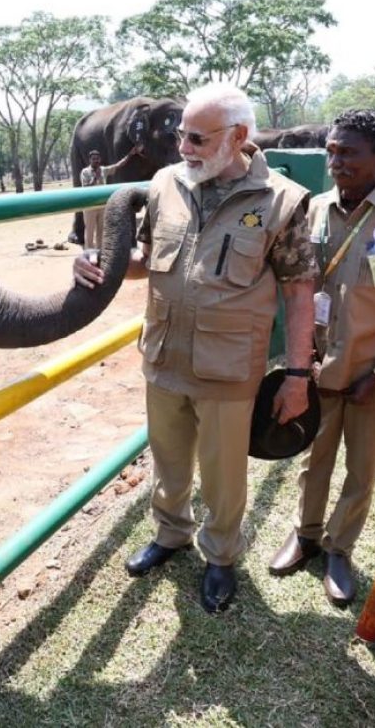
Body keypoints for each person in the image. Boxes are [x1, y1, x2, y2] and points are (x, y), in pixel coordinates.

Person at [74, 83, 317, 613]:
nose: (183, 146)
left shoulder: (280, 201)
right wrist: (102, 264)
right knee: (168, 458)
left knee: (224, 471)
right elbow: (143, 261)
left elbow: (300, 294)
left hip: (229, 366)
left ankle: (221, 556)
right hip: (163, 355)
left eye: (197, 138)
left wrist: (298, 374)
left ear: (239, 137)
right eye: (181, 134)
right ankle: (170, 533)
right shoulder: (164, 184)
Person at [269, 109, 375, 607]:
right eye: (332, 151)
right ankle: (306, 534)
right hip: (316, 368)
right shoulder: (313, 210)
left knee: (360, 469)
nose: (336, 161)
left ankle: (339, 548)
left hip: (368, 378)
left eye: (349, 152)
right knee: (313, 459)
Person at [80, 148, 134, 249]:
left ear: (99, 159)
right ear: (90, 160)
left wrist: (130, 154)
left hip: (102, 205)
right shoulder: (85, 172)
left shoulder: (103, 170)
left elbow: (118, 165)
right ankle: (88, 252)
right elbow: (86, 188)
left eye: (97, 158)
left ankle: (100, 252)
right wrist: (95, 177)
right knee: (89, 231)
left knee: (101, 230)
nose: (95, 161)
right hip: (89, 206)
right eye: (93, 159)